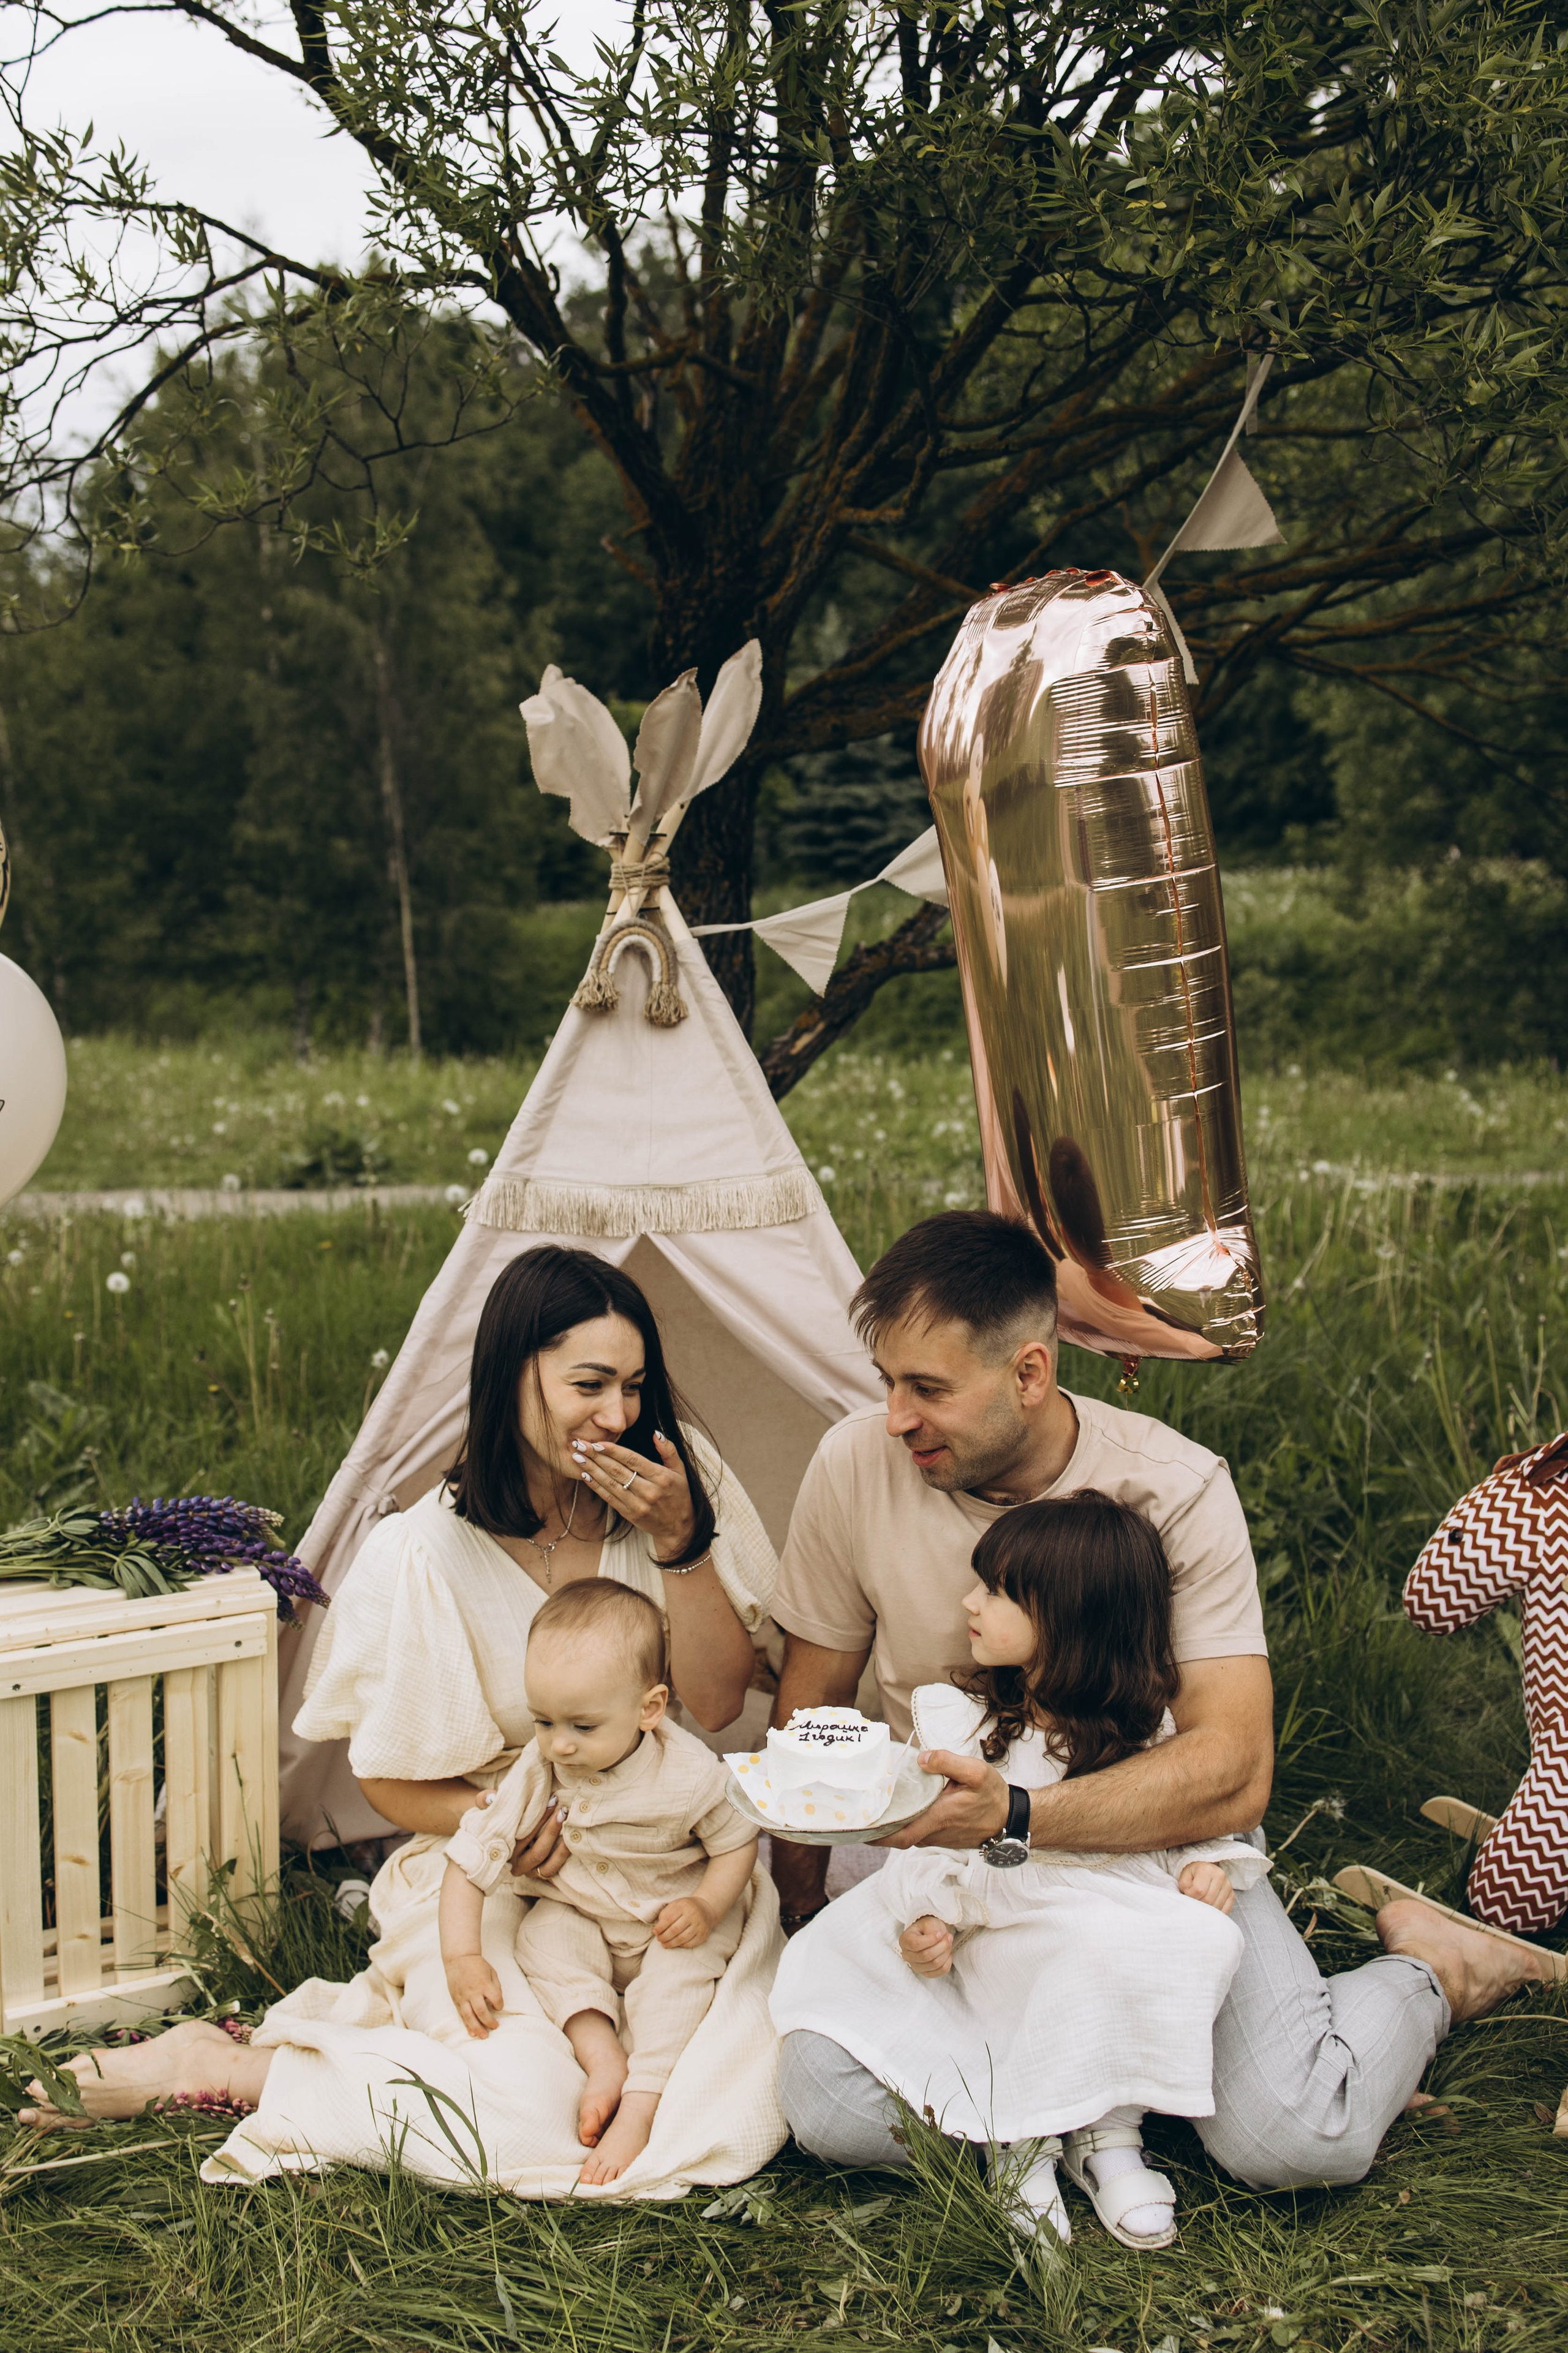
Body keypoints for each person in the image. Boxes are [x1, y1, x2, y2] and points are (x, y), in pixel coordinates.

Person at [769, 1209, 1559, 2190]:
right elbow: (812, 1711)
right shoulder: (856, 1463)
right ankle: (1114, 2103)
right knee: (828, 2107)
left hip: (1153, 1856)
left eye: (927, 1389)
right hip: (944, 1863)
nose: (896, 1417)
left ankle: (1430, 1969)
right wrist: (797, 1905)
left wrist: (1016, 1815)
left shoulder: (1173, 1488)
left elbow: (1232, 1771)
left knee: (1295, 2137)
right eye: (888, 1382)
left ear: (1028, 1373)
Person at [23, 1247, 786, 2201]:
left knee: (730, 2083)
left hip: (658, 1858)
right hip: (492, 1862)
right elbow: (385, 1781)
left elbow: (715, 1706)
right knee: (530, 2108)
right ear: (511, 1376)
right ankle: (226, 2069)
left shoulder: (676, 1490)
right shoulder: (419, 1553)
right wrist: (506, 1826)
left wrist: (683, 1545)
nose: (620, 1416)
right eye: (589, 1385)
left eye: (634, 1385)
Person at [771, 1492, 1269, 2247]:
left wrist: (1206, 1869)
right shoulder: (959, 1723)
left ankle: (1109, 2137)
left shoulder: (1146, 1732)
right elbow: (924, 1844)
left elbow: (1184, 1823)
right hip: (987, 1922)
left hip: (1095, 1922)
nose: (968, 1601)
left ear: (1070, 1618)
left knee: (1173, 1939)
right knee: (1021, 1963)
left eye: (995, 1591)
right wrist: (926, 1917)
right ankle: (1020, 2138)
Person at [440, 1579, 759, 2185]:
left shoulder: (688, 1774)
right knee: (544, 1941)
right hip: (584, 1910)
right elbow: (470, 1856)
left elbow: (736, 1841)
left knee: (679, 1985)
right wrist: (462, 1956)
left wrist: (707, 1903)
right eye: (542, 1720)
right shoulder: (543, 1764)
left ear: (650, 1707)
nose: (559, 1743)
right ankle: (601, 2052)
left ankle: (640, 2105)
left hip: (671, 1916)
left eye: (582, 1726)